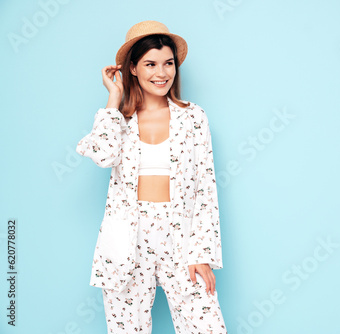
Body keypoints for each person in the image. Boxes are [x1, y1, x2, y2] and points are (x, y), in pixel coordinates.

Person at [75, 20, 227, 334]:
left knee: (206, 327)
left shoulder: (193, 116)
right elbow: (103, 156)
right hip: (127, 238)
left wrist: (201, 252)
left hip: (180, 236)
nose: (162, 73)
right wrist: (114, 99)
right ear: (132, 68)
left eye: (168, 63)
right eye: (151, 64)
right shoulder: (119, 119)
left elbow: (205, 187)